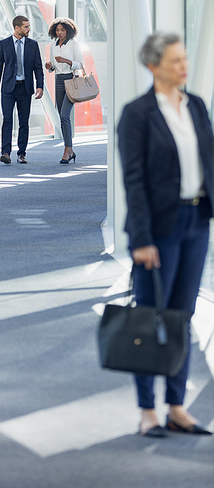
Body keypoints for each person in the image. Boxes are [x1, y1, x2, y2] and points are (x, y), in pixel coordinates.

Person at [118, 32, 214, 438]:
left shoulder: (196, 106)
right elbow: (133, 180)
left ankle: (176, 405)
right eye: (175, 60)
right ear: (153, 66)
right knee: (149, 318)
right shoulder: (137, 114)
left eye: (185, 59)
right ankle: (147, 411)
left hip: (196, 223)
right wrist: (141, 239)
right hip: (158, 229)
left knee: (182, 317)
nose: (183, 67)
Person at [0, 15, 43, 164]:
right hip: (8, 89)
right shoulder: (4, 44)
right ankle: (6, 152)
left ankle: (22, 154)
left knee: (23, 122)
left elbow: (38, 67)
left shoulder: (33, 45)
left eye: (29, 26)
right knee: (7, 120)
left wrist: (40, 86)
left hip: (25, 89)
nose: (29, 29)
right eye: (26, 26)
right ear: (17, 28)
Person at [45, 17, 84, 164]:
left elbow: (80, 64)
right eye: (57, 30)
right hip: (58, 80)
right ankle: (70, 150)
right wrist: (50, 66)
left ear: (68, 30)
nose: (60, 32)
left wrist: (66, 61)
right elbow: (53, 67)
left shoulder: (74, 44)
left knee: (65, 115)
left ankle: (68, 149)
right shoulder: (53, 46)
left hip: (71, 79)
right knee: (62, 117)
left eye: (62, 30)